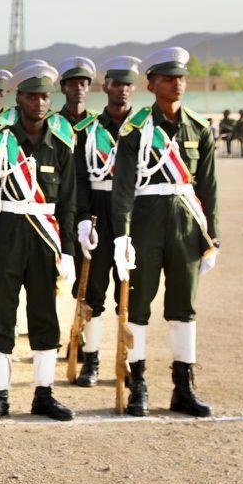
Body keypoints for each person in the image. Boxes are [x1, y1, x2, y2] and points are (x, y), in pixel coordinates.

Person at [0, 61, 77, 422]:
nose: (40, 104)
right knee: (1, 314)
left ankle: (44, 394)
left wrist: (70, 250)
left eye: (45, 97)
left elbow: (71, 202)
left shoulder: (60, 145)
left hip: (46, 237)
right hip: (7, 233)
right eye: (32, 97)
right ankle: (0, 395)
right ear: (19, 99)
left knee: (44, 314)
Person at [111, 47, 218, 417]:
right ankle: (138, 382)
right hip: (145, 224)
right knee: (138, 305)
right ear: (152, 83)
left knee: (183, 307)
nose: (177, 84)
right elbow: (123, 187)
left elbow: (207, 188)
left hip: (186, 227)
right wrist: (121, 236)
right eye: (169, 78)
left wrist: (211, 239)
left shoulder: (199, 127)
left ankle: (183, 386)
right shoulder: (136, 128)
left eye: (181, 78)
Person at [69, 56, 139, 387]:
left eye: (128, 85)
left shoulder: (142, 128)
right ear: (106, 86)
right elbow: (79, 180)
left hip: (131, 213)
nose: (122, 90)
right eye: (116, 83)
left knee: (130, 290)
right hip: (97, 210)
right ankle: (91, 360)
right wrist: (82, 219)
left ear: (134, 89)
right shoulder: (87, 130)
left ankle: (129, 363)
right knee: (93, 290)